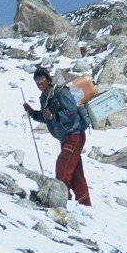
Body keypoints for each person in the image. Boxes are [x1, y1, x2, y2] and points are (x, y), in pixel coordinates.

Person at [23, 68, 91, 206]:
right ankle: (85, 205)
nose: (39, 82)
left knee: (63, 168)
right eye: (36, 79)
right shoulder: (44, 98)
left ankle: (62, 201)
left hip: (75, 134)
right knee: (76, 173)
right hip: (65, 138)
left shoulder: (61, 92)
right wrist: (32, 113)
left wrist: (54, 116)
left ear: (49, 80)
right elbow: (46, 117)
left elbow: (71, 113)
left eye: (41, 78)